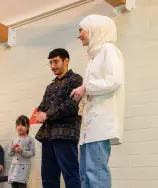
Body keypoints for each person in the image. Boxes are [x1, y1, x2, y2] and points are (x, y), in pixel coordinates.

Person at [71, 14, 125, 188]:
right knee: (85, 174)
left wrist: (86, 88)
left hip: (101, 123)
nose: (79, 35)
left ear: (95, 30)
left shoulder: (109, 50)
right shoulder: (92, 58)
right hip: (89, 125)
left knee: (96, 172)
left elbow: (114, 80)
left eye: (81, 30)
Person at [35, 48, 83, 188]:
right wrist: (40, 114)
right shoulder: (50, 86)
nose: (53, 66)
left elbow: (71, 106)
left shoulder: (75, 79)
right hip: (47, 135)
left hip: (65, 135)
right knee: (48, 177)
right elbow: (41, 107)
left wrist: (47, 115)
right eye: (50, 63)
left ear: (66, 61)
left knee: (70, 174)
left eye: (56, 62)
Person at [6, 115, 36, 188]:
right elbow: (10, 154)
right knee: (14, 185)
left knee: (22, 185)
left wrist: (23, 151)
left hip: (24, 167)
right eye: (18, 125)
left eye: (22, 125)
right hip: (14, 166)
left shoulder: (30, 139)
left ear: (28, 126)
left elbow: (33, 153)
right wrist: (12, 149)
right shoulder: (14, 139)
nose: (20, 127)